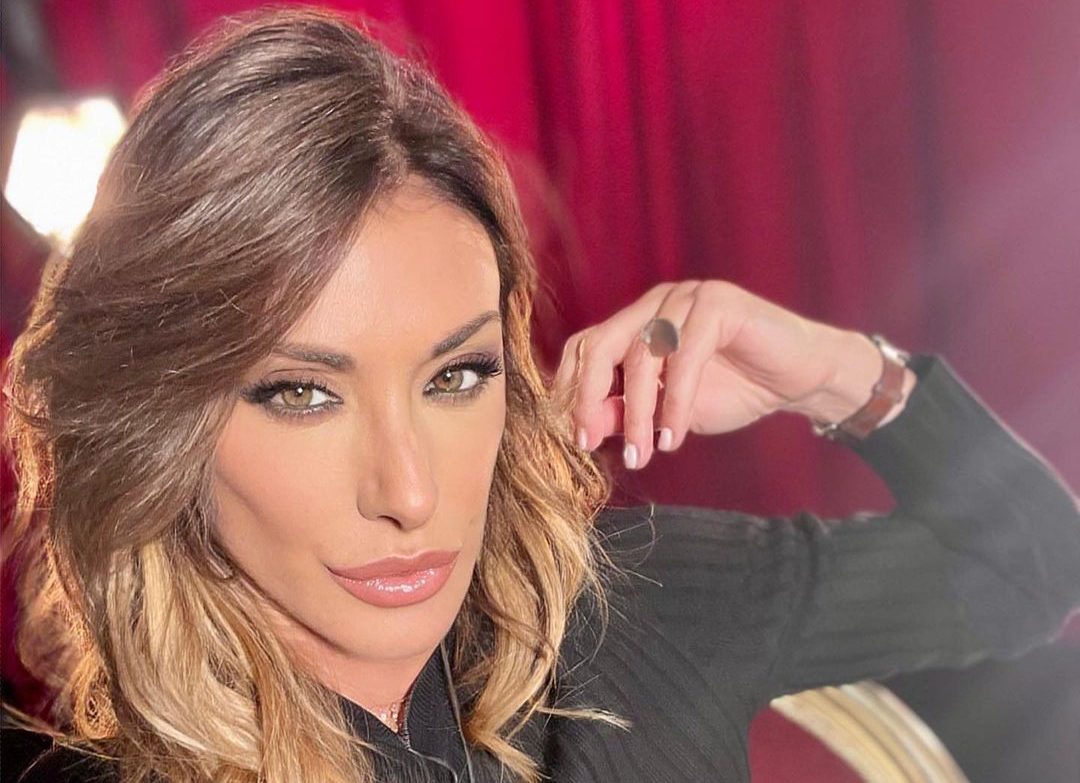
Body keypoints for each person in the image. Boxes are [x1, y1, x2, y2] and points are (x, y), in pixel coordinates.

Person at [2, 7, 1077, 783]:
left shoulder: (633, 605)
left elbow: (1029, 564)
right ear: (161, 428)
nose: (409, 493)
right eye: (301, 394)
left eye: (456, 376)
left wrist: (839, 374)